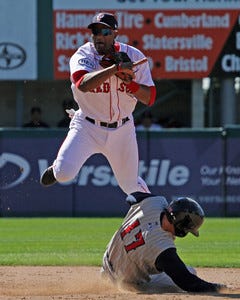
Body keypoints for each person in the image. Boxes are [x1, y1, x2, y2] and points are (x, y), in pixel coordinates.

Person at [40, 12, 156, 195]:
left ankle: (155, 213)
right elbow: (83, 84)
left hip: (122, 129)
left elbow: (149, 98)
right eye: (95, 31)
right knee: (64, 174)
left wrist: (129, 83)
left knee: (131, 186)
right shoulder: (84, 54)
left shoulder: (133, 56)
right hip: (87, 126)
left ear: (115, 34)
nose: (99, 36)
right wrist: (114, 69)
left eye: (105, 32)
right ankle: (55, 169)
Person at [101, 192, 226, 293]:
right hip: (124, 282)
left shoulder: (154, 202)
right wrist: (219, 288)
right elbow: (188, 282)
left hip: (106, 265)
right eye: (188, 229)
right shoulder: (162, 247)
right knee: (190, 272)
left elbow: (132, 197)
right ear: (181, 226)